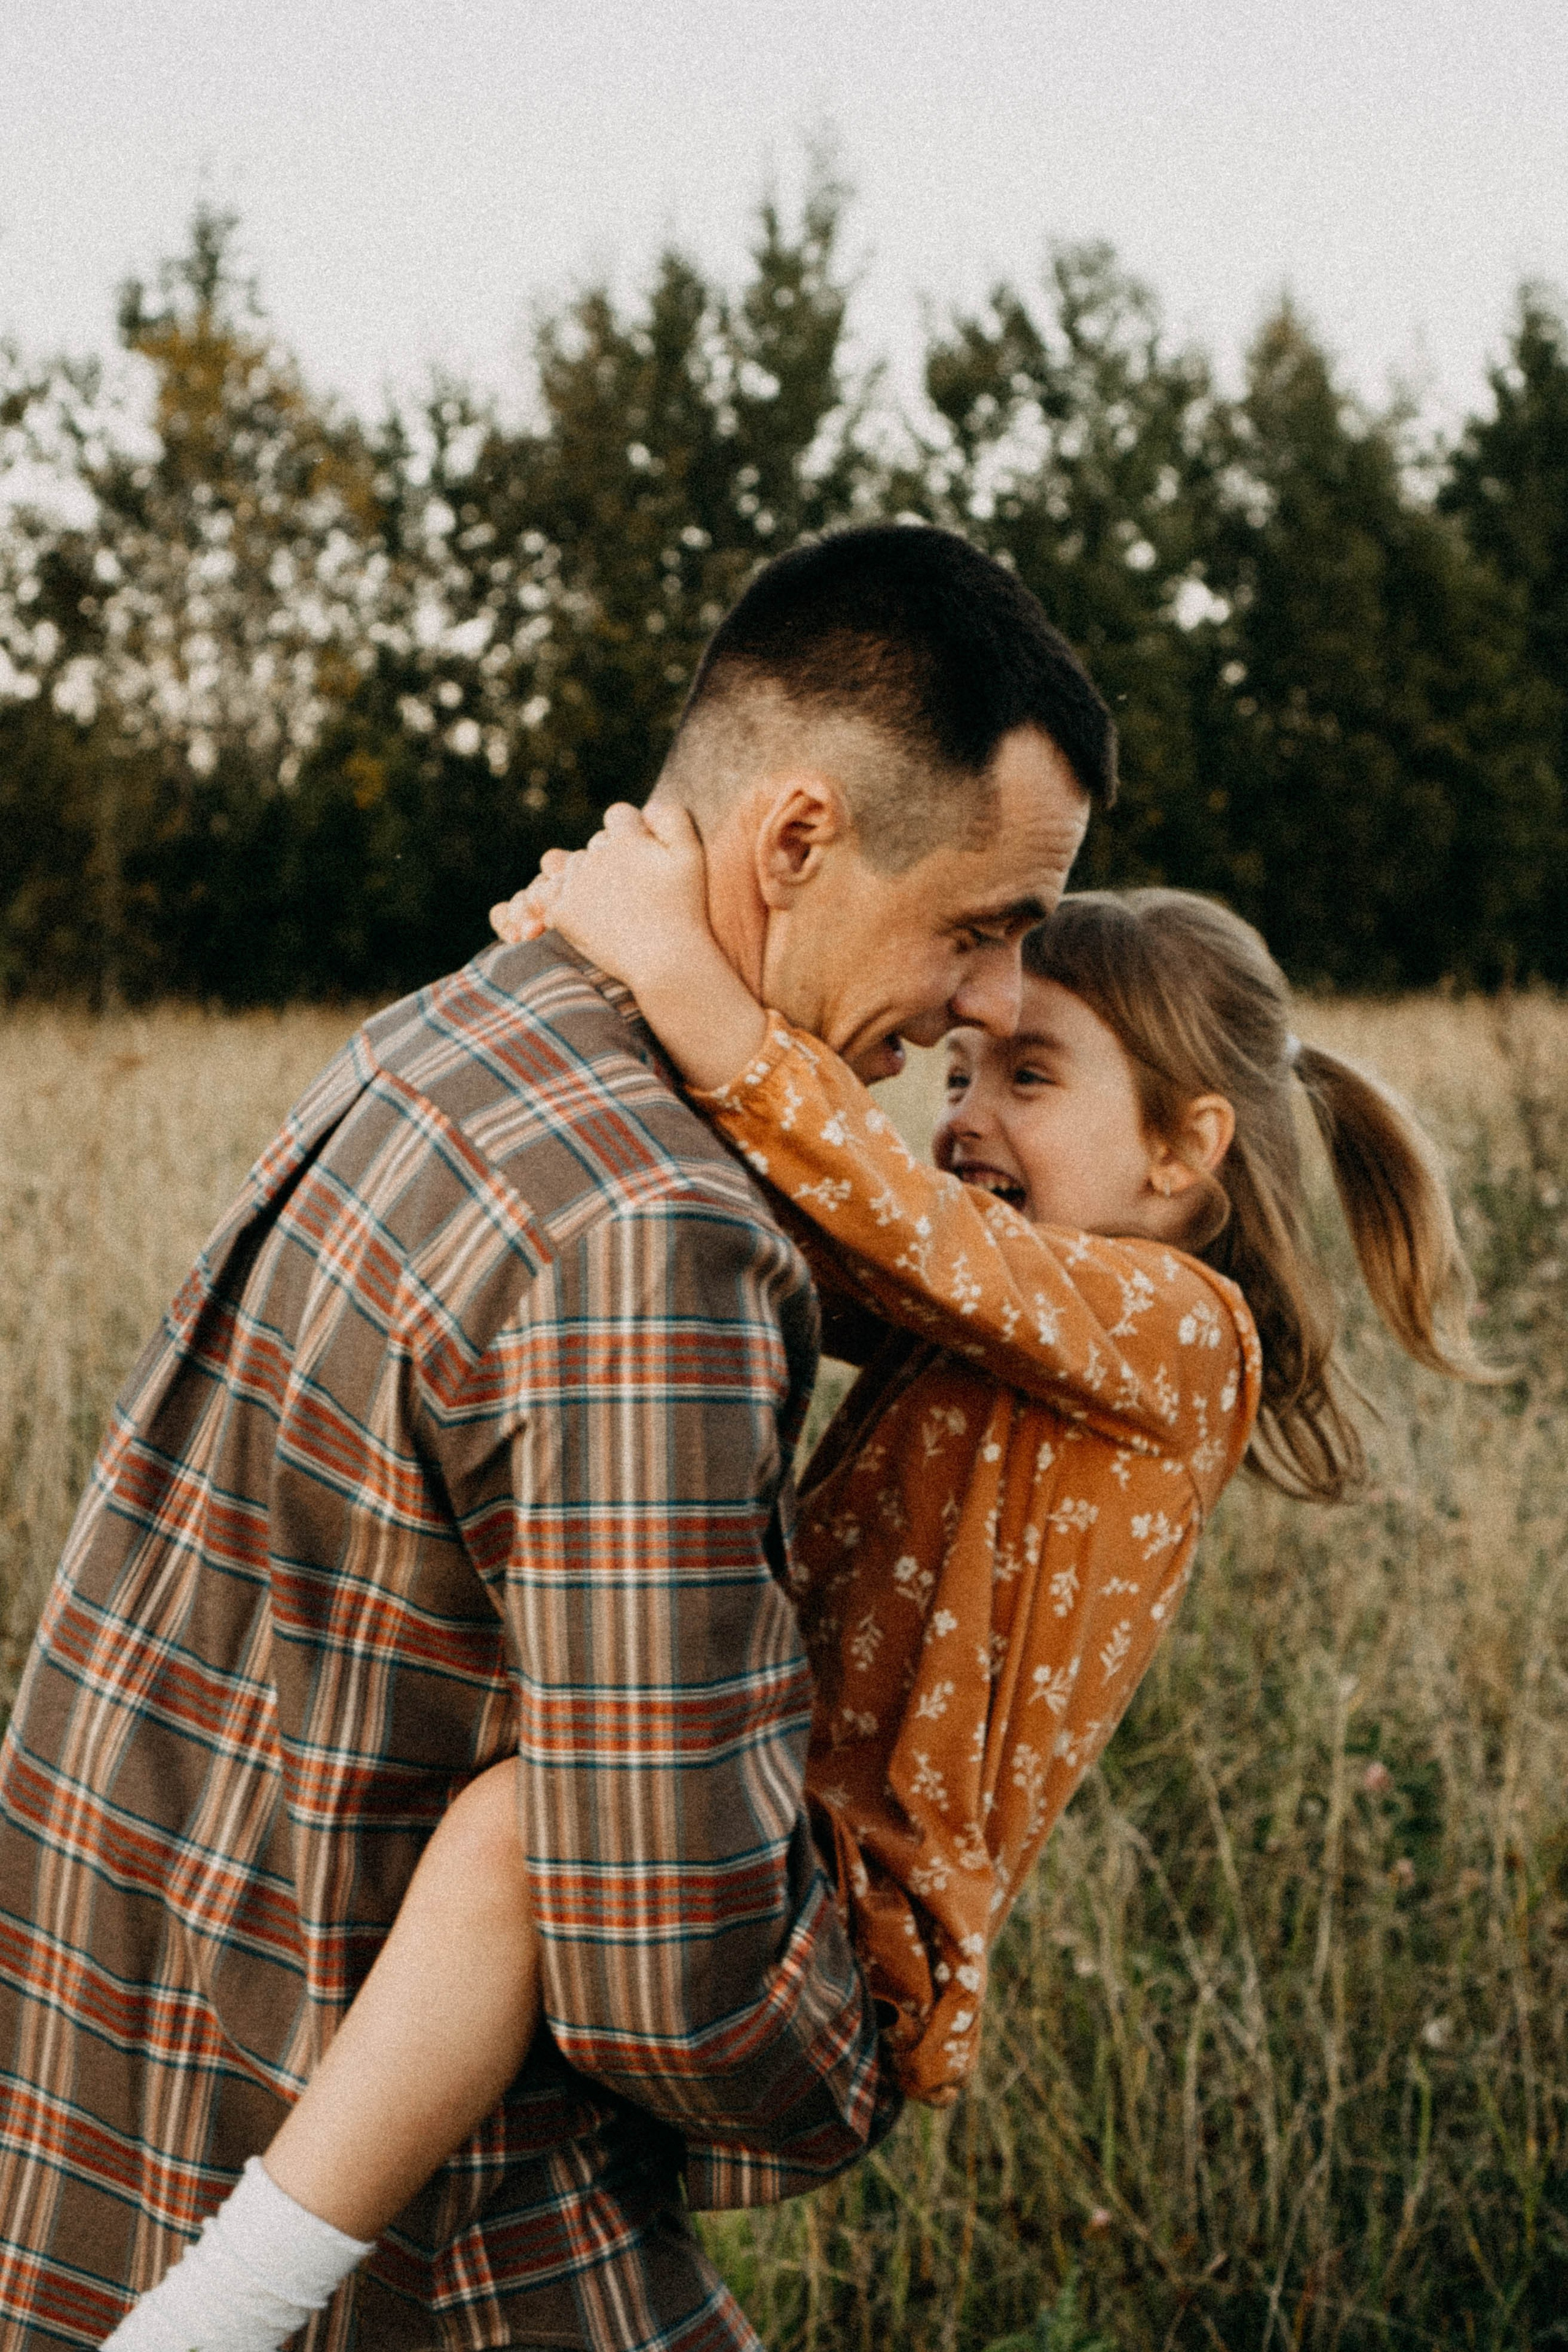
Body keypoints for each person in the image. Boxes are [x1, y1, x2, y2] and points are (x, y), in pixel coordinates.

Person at [111, 821, 1493, 2343]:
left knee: (517, 1827)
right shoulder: (994, 1312)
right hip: (760, 1814)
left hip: (850, 1926)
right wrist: (596, 980)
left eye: (1026, 1079)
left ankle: (215, 2318)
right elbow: (768, 1216)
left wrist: (667, 958)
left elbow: (878, 1214)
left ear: (1183, 1150)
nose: (962, 1118)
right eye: (960, 1074)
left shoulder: (1177, 1333)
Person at [0, 523, 1112, 2352]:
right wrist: (875, 2043)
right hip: (425, 2254)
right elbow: (676, 1977)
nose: (992, 1001)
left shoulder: (458, 1032)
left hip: (139, 2120)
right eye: (983, 926)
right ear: (800, 842)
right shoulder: (653, 1233)